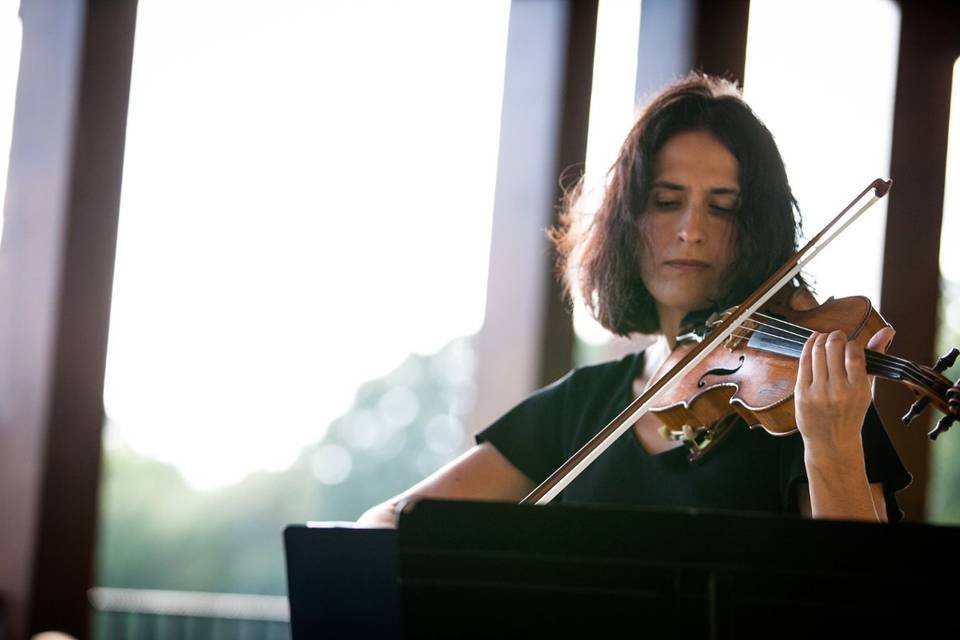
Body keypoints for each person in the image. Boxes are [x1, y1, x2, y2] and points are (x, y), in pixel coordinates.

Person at [357, 72, 915, 528]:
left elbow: (862, 607)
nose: (691, 230)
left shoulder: (812, 399)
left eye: (722, 207)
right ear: (627, 222)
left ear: (758, 229)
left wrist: (832, 445)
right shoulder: (585, 405)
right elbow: (386, 523)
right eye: (666, 201)